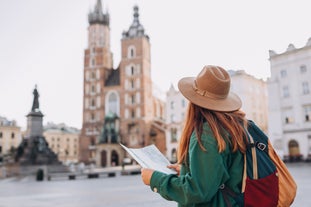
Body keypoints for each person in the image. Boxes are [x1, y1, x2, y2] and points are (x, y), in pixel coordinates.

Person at [141, 65, 249, 206]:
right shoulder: (234, 126)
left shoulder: (207, 134)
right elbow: (221, 172)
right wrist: (188, 170)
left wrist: (154, 179)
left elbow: (196, 192)